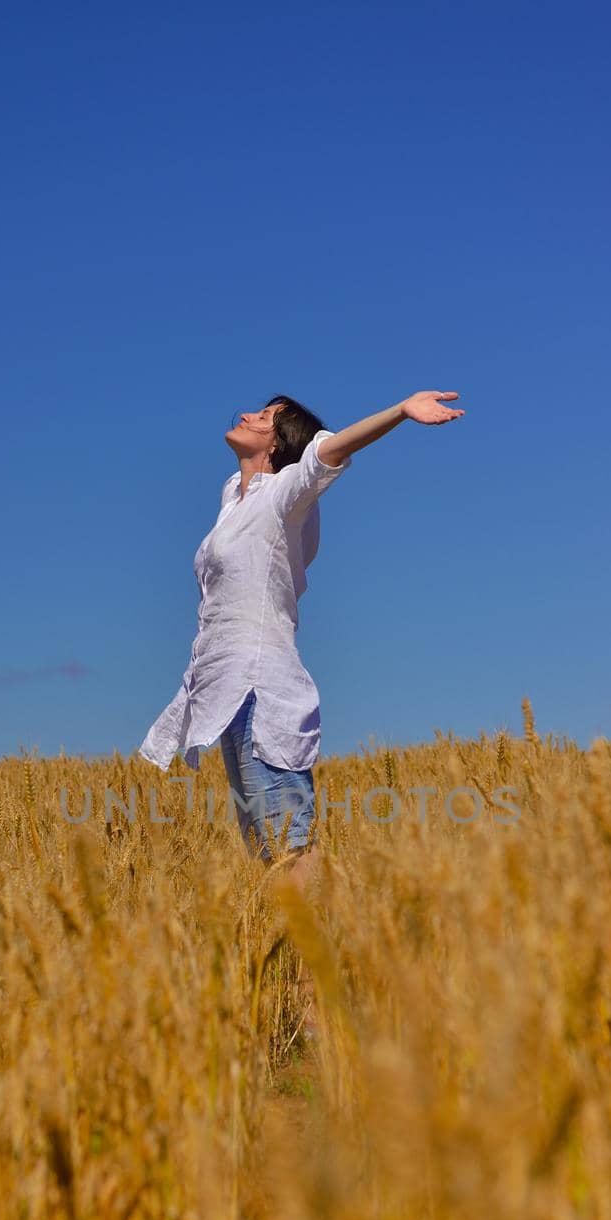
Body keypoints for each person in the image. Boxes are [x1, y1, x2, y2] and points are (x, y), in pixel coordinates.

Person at [138, 390, 465, 1029]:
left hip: (262, 689)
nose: (248, 414)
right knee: (270, 854)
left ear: (281, 443)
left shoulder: (287, 492)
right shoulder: (234, 500)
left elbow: (331, 449)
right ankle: (303, 997)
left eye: (266, 416)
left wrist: (400, 412)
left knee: (292, 847)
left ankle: (321, 1005)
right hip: (221, 694)